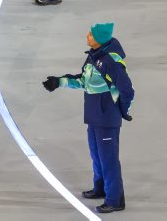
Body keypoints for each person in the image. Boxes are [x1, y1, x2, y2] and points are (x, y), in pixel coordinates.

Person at [42, 23, 134, 214]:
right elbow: (84, 81)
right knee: (96, 154)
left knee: (108, 159)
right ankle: (100, 188)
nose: (88, 36)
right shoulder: (94, 56)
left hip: (107, 117)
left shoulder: (110, 61)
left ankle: (114, 199)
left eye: (92, 34)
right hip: (94, 115)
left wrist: (122, 111)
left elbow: (127, 90)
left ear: (100, 39)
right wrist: (59, 82)